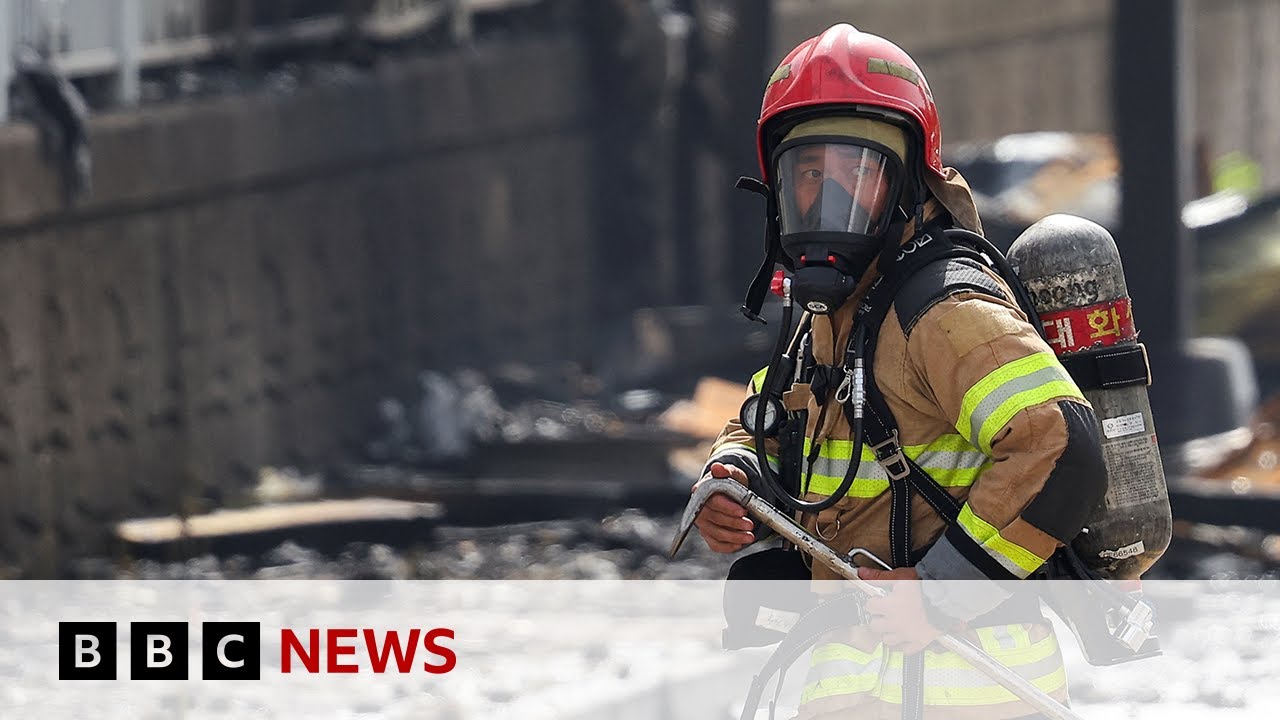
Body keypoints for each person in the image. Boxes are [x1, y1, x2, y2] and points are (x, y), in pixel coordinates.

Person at [693, 23, 1108, 720]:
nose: (829, 200)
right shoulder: (832, 314)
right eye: (809, 174)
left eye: (857, 172)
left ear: (908, 181)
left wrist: (945, 592)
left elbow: (1062, 445)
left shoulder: (942, 311)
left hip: (968, 691)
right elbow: (770, 412)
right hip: (864, 684)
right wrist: (734, 474)